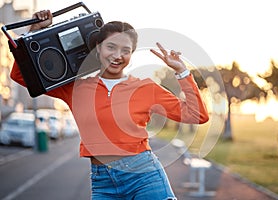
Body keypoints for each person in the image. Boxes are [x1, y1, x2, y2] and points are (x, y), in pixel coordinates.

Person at [10, 10, 209, 200]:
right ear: (98, 48)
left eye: (126, 50)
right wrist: (34, 31)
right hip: (102, 182)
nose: (117, 55)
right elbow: (19, 76)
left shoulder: (146, 88)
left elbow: (197, 115)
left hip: (144, 176)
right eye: (111, 47)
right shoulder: (76, 89)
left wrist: (182, 71)